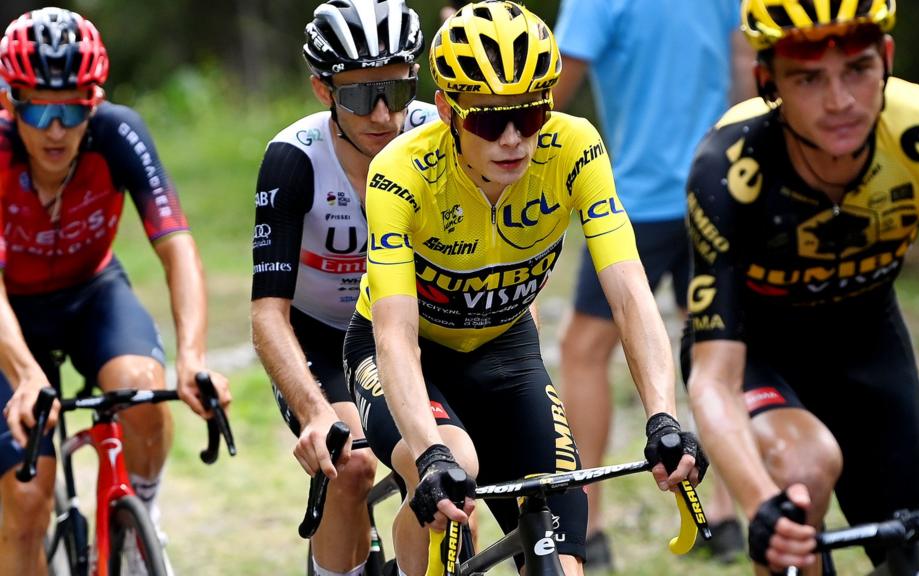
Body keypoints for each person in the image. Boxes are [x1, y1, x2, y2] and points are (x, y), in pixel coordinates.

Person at [342, 2, 708, 575]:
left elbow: (630, 293)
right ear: (447, 110)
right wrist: (430, 452)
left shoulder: (575, 148)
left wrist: (662, 417)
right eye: (490, 120)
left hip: (506, 351)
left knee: (563, 558)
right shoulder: (400, 172)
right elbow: (394, 336)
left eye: (531, 114)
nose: (514, 138)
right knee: (451, 469)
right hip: (410, 355)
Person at [685, 0, 919, 574]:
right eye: (809, 78)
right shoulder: (728, 166)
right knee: (801, 469)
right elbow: (712, 377)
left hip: (869, 349)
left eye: (859, 70)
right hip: (759, 356)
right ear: (767, 81)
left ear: (887, 59)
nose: (840, 101)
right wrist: (757, 502)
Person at [0, 7, 231, 576]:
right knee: (27, 503)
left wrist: (192, 358)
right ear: (10, 102)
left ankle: (136, 528)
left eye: (74, 105)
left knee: (142, 389)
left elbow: (177, 246)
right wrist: (27, 375)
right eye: (38, 105)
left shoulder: (119, 130)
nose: (56, 127)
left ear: (94, 101)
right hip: (10, 315)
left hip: (90, 292)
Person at [551, 0, 756, 566]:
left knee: (584, 350)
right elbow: (746, 71)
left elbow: (544, 99)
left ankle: (587, 526)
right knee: (715, 347)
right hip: (715, 188)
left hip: (635, 200)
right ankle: (725, 515)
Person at [250, 1, 436, 575]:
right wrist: (312, 412)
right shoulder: (293, 159)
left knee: (446, 478)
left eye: (397, 91)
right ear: (322, 90)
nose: (383, 114)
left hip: (414, 335)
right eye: (359, 95)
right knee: (349, 466)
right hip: (324, 339)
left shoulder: (441, 137)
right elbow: (267, 315)